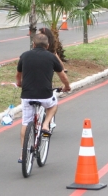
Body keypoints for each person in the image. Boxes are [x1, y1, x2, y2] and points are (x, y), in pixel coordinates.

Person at [16, 33, 71, 162]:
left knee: (25, 122)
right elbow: (62, 76)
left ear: (33, 44)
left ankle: (23, 154)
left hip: (27, 95)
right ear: (47, 46)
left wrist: (19, 84)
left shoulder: (24, 55)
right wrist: (67, 86)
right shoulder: (52, 57)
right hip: (45, 95)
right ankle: (46, 124)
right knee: (53, 105)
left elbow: (18, 75)